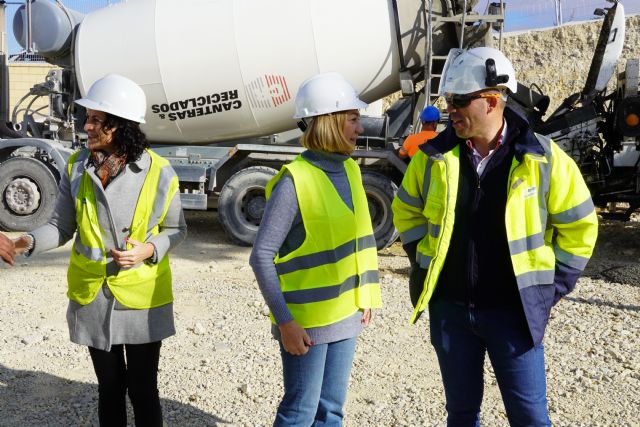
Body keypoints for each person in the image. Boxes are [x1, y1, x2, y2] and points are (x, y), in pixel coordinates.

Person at [392, 47, 598, 426]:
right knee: (462, 414)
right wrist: (424, 261)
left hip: (513, 313)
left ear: (491, 101)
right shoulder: (431, 157)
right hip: (451, 312)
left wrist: (550, 288)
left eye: (459, 101)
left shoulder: (544, 159)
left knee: (530, 417)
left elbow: (580, 227)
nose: (450, 110)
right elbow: (405, 210)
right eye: (449, 101)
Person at [12, 73, 186, 427]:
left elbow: (176, 229)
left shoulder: (160, 172)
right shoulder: (77, 167)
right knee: (109, 387)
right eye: (86, 118)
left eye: (95, 120)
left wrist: (149, 249)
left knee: (142, 390)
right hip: (94, 296)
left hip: (141, 298)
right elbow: (61, 227)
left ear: (120, 127)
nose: (86, 126)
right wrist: (26, 241)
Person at [249, 71, 382, 426]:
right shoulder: (295, 181)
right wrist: (285, 321)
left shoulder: (352, 170)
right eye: (353, 119)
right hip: (305, 325)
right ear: (330, 122)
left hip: (347, 315)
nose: (360, 127)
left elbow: (359, 241)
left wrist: (365, 294)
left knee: (331, 411)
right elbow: (261, 256)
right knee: (299, 413)